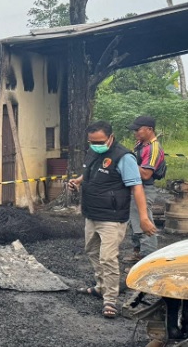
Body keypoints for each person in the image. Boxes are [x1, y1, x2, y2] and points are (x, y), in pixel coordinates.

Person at [67, 121, 156, 319]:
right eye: (91, 141)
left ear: (110, 137)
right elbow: (89, 172)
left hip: (112, 217)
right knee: (91, 251)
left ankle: (110, 299)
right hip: (91, 213)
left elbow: (137, 187)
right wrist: (78, 181)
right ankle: (100, 287)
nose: (95, 144)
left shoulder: (123, 157)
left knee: (108, 258)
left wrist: (143, 217)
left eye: (99, 141)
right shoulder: (92, 151)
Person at [123, 115, 165, 263]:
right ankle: (138, 252)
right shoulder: (140, 144)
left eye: (138, 129)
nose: (135, 133)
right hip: (135, 187)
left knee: (144, 220)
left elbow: (146, 174)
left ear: (149, 129)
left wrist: (126, 161)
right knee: (133, 220)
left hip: (145, 188)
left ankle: (148, 256)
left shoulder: (153, 148)